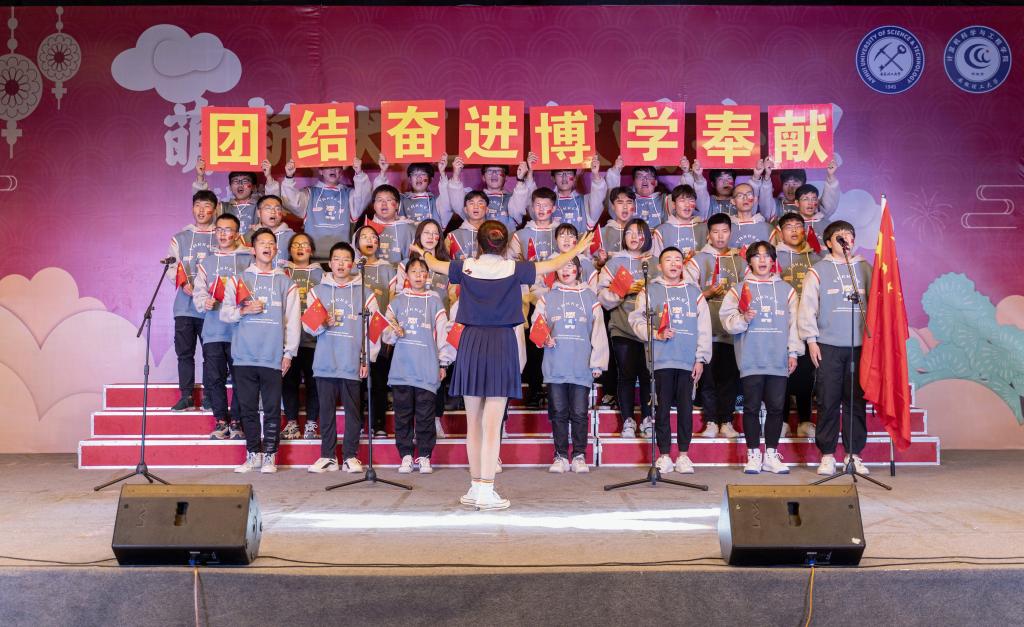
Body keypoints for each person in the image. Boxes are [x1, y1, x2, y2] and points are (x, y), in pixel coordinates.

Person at [415, 220, 594, 510]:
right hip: (501, 342)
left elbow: (434, 263)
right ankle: (486, 490)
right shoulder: (514, 268)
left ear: (479, 243)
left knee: (474, 423)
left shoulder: (466, 266)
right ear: (505, 244)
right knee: (492, 423)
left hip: (471, 343)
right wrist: (577, 248)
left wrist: (421, 253)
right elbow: (553, 264)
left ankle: (476, 487)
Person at [220, 228, 301, 474]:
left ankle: (270, 456)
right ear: (253, 249)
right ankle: (253, 454)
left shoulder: (286, 282)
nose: (267, 246)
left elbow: (293, 321)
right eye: (262, 243)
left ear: (276, 249)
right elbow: (225, 314)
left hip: (272, 356)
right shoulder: (238, 279)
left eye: (271, 243)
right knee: (247, 408)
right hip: (244, 356)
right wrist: (244, 310)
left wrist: (288, 354)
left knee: (273, 408)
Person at [798, 220, 873, 476]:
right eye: (839, 236)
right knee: (828, 401)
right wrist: (811, 340)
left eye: (849, 235)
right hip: (828, 346)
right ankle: (827, 455)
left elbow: (878, 305)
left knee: (856, 402)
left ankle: (854, 455)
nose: (845, 239)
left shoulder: (865, 268)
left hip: (860, 347)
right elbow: (807, 308)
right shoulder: (818, 270)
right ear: (829, 242)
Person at [721, 242, 803, 474]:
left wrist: (793, 352)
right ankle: (753, 454)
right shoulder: (739, 289)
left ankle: (771, 455)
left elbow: (794, 325)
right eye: (757, 256)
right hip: (751, 358)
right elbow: (727, 321)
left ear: (774, 261)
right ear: (750, 261)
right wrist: (743, 318)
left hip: (778, 359)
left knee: (777, 408)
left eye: (767, 256)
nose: (763, 260)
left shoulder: (787, 290)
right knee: (751, 408)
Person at [629, 247, 712, 474]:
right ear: (659, 266)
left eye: (678, 260)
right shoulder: (649, 290)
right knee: (662, 409)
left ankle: (684, 455)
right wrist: (655, 334)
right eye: (668, 260)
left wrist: (700, 359)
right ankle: (664, 454)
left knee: (686, 409)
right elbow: (636, 321)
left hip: (687, 361)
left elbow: (704, 329)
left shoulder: (694, 293)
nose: (674, 264)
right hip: (661, 360)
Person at [304, 242, 382, 473]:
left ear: (352, 264)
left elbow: (374, 329)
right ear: (330, 263)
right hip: (325, 361)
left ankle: (350, 456)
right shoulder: (317, 291)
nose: (341, 264)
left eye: (346, 259)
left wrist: (367, 359)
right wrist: (322, 323)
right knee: (326, 411)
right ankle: (328, 456)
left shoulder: (365, 293)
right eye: (336, 259)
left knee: (353, 412)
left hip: (352, 361)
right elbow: (309, 327)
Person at [533, 257, 608, 474]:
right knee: (558, 412)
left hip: (581, 366)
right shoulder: (547, 297)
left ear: (578, 269)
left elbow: (599, 332)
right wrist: (544, 338)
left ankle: (579, 455)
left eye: (570, 266)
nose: (566, 271)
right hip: (555, 365)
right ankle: (560, 456)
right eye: (561, 267)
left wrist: (597, 363)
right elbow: (537, 324)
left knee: (579, 412)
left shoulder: (590, 297)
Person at [383, 257, 456, 474]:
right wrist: (393, 332)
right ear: (406, 275)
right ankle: (406, 455)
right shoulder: (397, 301)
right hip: (402, 370)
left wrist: (443, 363)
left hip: (427, 369)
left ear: (428, 276)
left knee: (425, 416)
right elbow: (385, 334)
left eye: (422, 271)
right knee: (403, 416)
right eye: (413, 271)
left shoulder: (435, 302)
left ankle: (424, 456)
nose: (418, 275)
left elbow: (443, 335)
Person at [192, 213, 251, 439]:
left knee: (240, 379)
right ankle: (220, 421)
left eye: (228, 230)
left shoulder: (248, 260)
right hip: (213, 332)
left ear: (237, 234)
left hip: (239, 332)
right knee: (214, 379)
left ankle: (236, 421)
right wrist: (204, 302)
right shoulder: (206, 263)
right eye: (220, 230)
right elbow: (198, 294)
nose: (223, 234)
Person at [690, 212, 748, 438]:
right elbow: (686, 292)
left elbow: (750, 289)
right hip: (707, 331)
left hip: (732, 332)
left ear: (731, 233)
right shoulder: (697, 260)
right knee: (708, 380)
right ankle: (711, 421)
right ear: (709, 234)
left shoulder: (740, 260)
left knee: (729, 379)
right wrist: (706, 293)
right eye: (715, 232)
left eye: (724, 231)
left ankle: (727, 421)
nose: (720, 236)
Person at [598, 218, 656, 439]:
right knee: (626, 375)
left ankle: (648, 418)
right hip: (622, 327)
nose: (634, 237)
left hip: (650, 331)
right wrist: (623, 290)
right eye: (629, 233)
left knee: (649, 374)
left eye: (639, 233)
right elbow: (602, 296)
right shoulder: (614, 263)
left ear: (647, 237)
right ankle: (628, 420)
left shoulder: (656, 262)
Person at [167, 190, 218, 411]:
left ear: (215, 209)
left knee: (211, 354)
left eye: (206, 206)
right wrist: (183, 283)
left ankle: (210, 396)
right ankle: (186, 395)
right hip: (185, 307)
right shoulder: (180, 237)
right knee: (184, 354)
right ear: (192, 208)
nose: (201, 210)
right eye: (197, 205)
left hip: (211, 308)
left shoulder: (222, 235)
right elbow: (172, 267)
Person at [775, 213, 821, 437]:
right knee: (781, 372)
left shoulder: (817, 258)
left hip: (808, 324)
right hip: (781, 324)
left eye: (798, 226)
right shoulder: (773, 256)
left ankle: (805, 420)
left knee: (805, 375)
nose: (794, 231)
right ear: (780, 232)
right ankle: (782, 420)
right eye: (788, 227)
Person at [272, 157, 371, 260]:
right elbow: (291, 201)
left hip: (342, 259)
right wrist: (289, 177)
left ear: (341, 170)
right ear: (320, 171)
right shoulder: (310, 193)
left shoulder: (348, 194)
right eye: (328, 166)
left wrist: (359, 173)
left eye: (336, 166)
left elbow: (363, 197)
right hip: (312, 259)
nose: (333, 169)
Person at [352, 224, 398, 436]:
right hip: (354, 333)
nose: (370, 240)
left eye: (373, 237)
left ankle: (378, 424)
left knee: (378, 381)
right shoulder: (352, 267)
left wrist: (389, 332)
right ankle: (358, 424)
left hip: (379, 333)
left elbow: (393, 300)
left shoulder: (388, 268)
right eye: (364, 236)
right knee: (356, 382)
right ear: (356, 243)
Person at [280, 233, 323, 440]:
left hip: (314, 341)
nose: (299, 248)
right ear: (289, 250)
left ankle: (312, 423)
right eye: (295, 244)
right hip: (289, 340)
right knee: (289, 381)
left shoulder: (322, 275)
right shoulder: (282, 273)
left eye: (304, 244)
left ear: (311, 250)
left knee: (315, 383)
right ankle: (292, 423)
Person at [374, 156, 454, 226]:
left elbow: (447, 199)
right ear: (410, 179)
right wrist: (383, 171)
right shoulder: (401, 199)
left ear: (430, 179)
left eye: (423, 174)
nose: (419, 177)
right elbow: (381, 195)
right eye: (415, 174)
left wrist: (442, 172)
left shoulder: (436, 201)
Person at [192, 160, 262, 235]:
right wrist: (200, 176)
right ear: (230, 187)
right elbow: (202, 199)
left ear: (253, 187)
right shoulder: (222, 208)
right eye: (235, 181)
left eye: (245, 181)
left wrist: (268, 177)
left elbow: (271, 202)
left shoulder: (260, 207)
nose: (240, 185)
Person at [760, 160, 840, 221]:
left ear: (803, 184)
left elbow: (828, 207)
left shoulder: (813, 204)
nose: (791, 188)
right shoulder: (776, 205)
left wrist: (830, 176)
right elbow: (765, 204)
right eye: (786, 184)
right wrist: (767, 176)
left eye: (795, 184)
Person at [547, 155, 607, 232]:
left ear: (575, 178)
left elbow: (598, 196)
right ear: (553, 178)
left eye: (568, 173)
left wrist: (595, 174)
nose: (564, 178)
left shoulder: (585, 201)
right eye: (560, 174)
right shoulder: (547, 202)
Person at [366, 184, 417, 265]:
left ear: (397, 205)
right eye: (379, 200)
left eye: (388, 200)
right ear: (374, 206)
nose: (384, 203)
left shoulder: (410, 229)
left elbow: (416, 260)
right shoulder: (365, 229)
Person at [653, 184, 707, 257]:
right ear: (674, 204)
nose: (687, 205)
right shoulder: (661, 231)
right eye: (682, 200)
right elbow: (656, 259)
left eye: (691, 200)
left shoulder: (705, 228)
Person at [245, 195, 295, 267]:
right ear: (259, 213)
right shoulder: (248, 237)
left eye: (277, 209)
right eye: (268, 208)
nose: (273, 212)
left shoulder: (293, 237)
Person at [728, 182, 772, 251]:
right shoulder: (726, 228)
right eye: (740, 195)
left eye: (749, 194)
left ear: (755, 199)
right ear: (733, 201)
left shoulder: (768, 228)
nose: (745, 198)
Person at [447, 190, 490, 261]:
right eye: (471, 203)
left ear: (487, 210)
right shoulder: (452, 236)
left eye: (480, 203)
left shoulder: (495, 234)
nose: (476, 207)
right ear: (465, 209)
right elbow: (444, 262)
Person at [601, 186, 637, 256]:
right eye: (620, 203)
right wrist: (600, 261)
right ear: (613, 206)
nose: (625, 207)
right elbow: (593, 259)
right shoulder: (602, 233)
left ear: (634, 206)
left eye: (629, 202)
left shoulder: (642, 231)